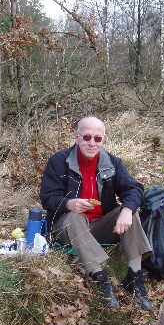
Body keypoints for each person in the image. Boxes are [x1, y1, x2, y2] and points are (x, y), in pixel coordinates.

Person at [39, 116, 153, 311]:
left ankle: (135, 277)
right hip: (67, 227)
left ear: (104, 139)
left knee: (130, 212)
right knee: (75, 217)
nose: (92, 143)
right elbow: (47, 198)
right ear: (77, 137)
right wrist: (69, 203)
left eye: (97, 138)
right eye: (87, 137)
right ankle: (100, 277)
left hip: (100, 226)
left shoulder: (113, 163)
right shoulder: (60, 161)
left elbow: (134, 189)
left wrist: (127, 209)